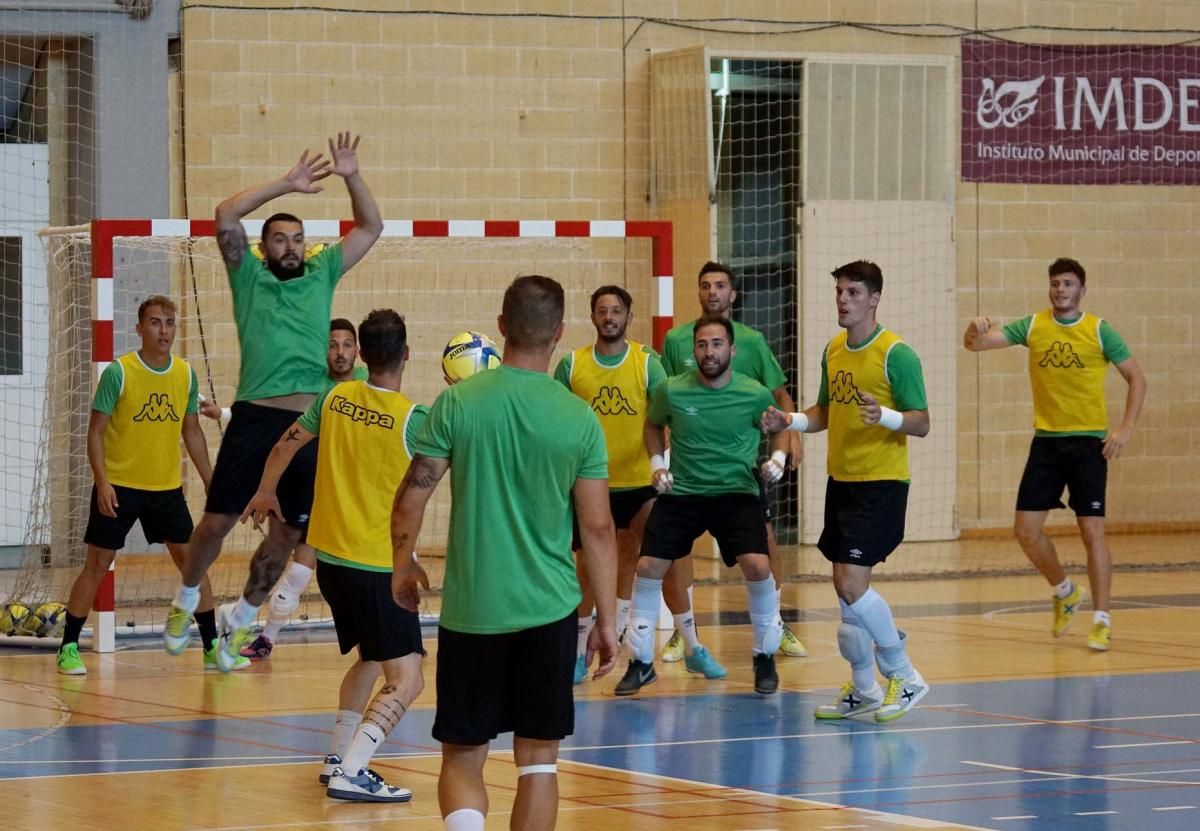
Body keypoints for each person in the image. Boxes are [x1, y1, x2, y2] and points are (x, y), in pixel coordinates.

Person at [390, 275, 619, 831]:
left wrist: (403, 562)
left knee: (463, 755)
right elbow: (598, 528)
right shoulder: (578, 417)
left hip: (474, 612)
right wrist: (608, 619)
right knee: (538, 764)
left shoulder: (457, 403)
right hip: (550, 612)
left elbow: (410, 499)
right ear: (561, 332)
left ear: (500, 327)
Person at [163, 132, 384, 672]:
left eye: (298, 238)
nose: (291, 246)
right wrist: (287, 183)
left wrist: (351, 174)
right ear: (264, 248)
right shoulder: (249, 275)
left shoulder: (323, 271)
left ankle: (241, 622)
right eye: (280, 239)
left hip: (308, 423)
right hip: (257, 415)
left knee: (287, 532)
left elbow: (372, 226)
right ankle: (188, 596)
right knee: (216, 522)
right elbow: (224, 212)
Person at [242, 309, 424, 802]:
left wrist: (264, 492)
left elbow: (284, 445)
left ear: (361, 355)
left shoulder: (335, 398)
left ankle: (337, 757)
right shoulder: (414, 419)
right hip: (376, 568)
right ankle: (355, 770)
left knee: (370, 660)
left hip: (331, 566)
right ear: (406, 354)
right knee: (408, 678)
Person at [762, 260, 930, 722]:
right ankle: (864, 689)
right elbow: (824, 411)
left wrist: (889, 417)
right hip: (842, 481)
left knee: (850, 583)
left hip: (882, 483)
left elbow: (922, 421)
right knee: (845, 594)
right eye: (840, 291)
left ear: (874, 298)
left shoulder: (898, 354)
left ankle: (906, 674)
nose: (843, 299)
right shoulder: (834, 349)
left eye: (853, 292)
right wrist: (789, 422)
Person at [963, 257, 1146, 651]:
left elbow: (1137, 378)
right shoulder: (1033, 325)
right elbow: (976, 345)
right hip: (1046, 442)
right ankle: (1064, 591)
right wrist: (973, 328)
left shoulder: (1099, 330)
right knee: (1025, 530)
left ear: (1082, 289)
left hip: (1087, 445)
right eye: (1055, 283)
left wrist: (1125, 428)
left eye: (1067, 284)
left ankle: (1102, 620)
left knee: (1091, 531)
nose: (1060, 290)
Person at [56, 297, 245, 673]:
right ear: (140, 329)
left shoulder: (185, 375)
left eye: (170, 323)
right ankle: (69, 647)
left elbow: (192, 433)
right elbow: (95, 433)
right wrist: (103, 481)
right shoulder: (119, 372)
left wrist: (213, 483)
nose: (164, 330)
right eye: (156, 323)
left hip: (165, 489)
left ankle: (211, 647)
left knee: (194, 564)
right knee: (97, 564)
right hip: (120, 486)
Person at [616, 314, 788, 697]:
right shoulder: (672, 390)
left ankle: (764, 656)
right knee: (647, 565)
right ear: (693, 351)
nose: (709, 352)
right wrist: (658, 465)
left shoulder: (755, 392)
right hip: (684, 494)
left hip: (737, 492)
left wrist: (776, 461)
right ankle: (641, 662)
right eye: (702, 345)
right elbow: (651, 425)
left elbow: (779, 428)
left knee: (759, 564)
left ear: (732, 349)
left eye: (716, 344)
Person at [658, 261, 806, 662]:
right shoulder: (677, 340)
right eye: (705, 285)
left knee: (764, 539)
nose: (712, 292)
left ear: (733, 294)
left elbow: (781, 396)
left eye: (720, 285)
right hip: (690, 464)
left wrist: (789, 436)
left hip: (741, 465)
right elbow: (663, 396)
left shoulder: (753, 342)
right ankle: (681, 628)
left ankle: (775, 621)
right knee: (678, 547)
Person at [200, 319, 370, 661]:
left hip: (347, 492)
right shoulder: (308, 385)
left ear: (358, 350)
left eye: (346, 344)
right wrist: (224, 413)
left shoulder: (368, 383)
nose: (339, 352)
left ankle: (248, 626)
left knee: (310, 574)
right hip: (304, 484)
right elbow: (269, 420)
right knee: (289, 564)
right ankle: (246, 629)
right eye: (332, 344)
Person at [553, 285, 684, 683]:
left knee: (663, 553)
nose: (609, 317)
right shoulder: (572, 365)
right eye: (602, 311)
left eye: (616, 310)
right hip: (593, 485)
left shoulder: (648, 363)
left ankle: (683, 638)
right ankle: (578, 653)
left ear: (628, 316)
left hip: (642, 483)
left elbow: (668, 413)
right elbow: (555, 422)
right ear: (592, 316)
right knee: (586, 570)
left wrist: (667, 462)